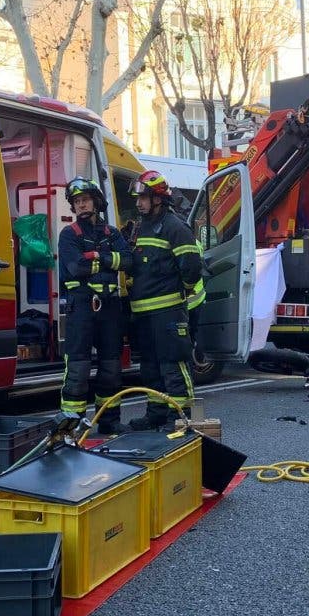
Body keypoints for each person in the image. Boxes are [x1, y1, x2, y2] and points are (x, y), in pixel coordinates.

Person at [127, 169, 203, 430]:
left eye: (143, 197)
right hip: (144, 312)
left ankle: (180, 416)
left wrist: (183, 288)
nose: (138, 203)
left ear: (158, 198)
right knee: (150, 367)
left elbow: (191, 265)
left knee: (174, 364)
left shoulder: (174, 227)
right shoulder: (140, 227)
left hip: (169, 311)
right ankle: (156, 413)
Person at [57, 177, 132, 434]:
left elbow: (129, 261)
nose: (81, 205)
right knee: (78, 368)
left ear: (96, 202)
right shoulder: (68, 234)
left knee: (111, 367)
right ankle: (72, 424)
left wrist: (96, 256)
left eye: (85, 200)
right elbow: (76, 266)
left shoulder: (112, 232)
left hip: (110, 307)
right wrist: (109, 259)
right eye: (77, 202)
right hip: (81, 307)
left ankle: (109, 421)